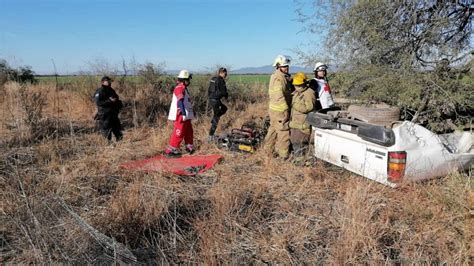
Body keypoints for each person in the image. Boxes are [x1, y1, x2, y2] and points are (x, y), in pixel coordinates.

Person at [264, 55, 292, 159]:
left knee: (273, 129)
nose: (287, 68)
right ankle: (283, 156)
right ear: (278, 66)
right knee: (283, 132)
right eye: (284, 66)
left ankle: (267, 151)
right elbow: (279, 95)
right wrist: (286, 109)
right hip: (280, 110)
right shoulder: (278, 78)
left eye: (287, 66)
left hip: (275, 110)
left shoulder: (281, 76)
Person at [165, 70, 195, 157]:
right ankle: (171, 150)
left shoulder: (184, 88)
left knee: (189, 130)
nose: (189, 81)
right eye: (188, 79)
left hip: (186, 114)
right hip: (180, 114)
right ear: (184, 80)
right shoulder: (179, 87)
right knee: (179, 131)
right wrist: (183, 113)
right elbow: (180, 101)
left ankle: (189, 146)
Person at [289, 72, 316, 164]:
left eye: (299, 85)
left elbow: (308, 108)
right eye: (296, 85)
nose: (297, 87)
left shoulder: (309, 93)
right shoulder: (297, 93)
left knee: (300, 144)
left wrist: (294, 105)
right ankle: (298, 160)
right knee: (295, 143)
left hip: (302, 126)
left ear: (304, 84)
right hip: (295, 124)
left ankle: (300, 163)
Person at [94, 76, 123, 141]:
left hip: (113, 113)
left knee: (117, 128)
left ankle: (120, 142)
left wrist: (118, 103)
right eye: (107, 81)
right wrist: (109, 101)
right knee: (106, 129)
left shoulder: (111, 90)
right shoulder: (100, 91)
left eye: (110, 81)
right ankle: (108, 144)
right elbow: (98, 102)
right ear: (102, 82)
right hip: (104, 114)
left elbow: (116, 98)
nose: (109, 82)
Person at [208, 67, 229, 141]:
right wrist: (226, 96)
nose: (226, 75)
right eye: (225, 73)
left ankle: (215, 117)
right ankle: (210, 136)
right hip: (216, 100)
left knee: (224, 108)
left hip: (212, 99)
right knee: (216, 117)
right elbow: (224, 92)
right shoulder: (220, 80)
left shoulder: (213, 79)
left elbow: (209, 90)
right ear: (221, 73)